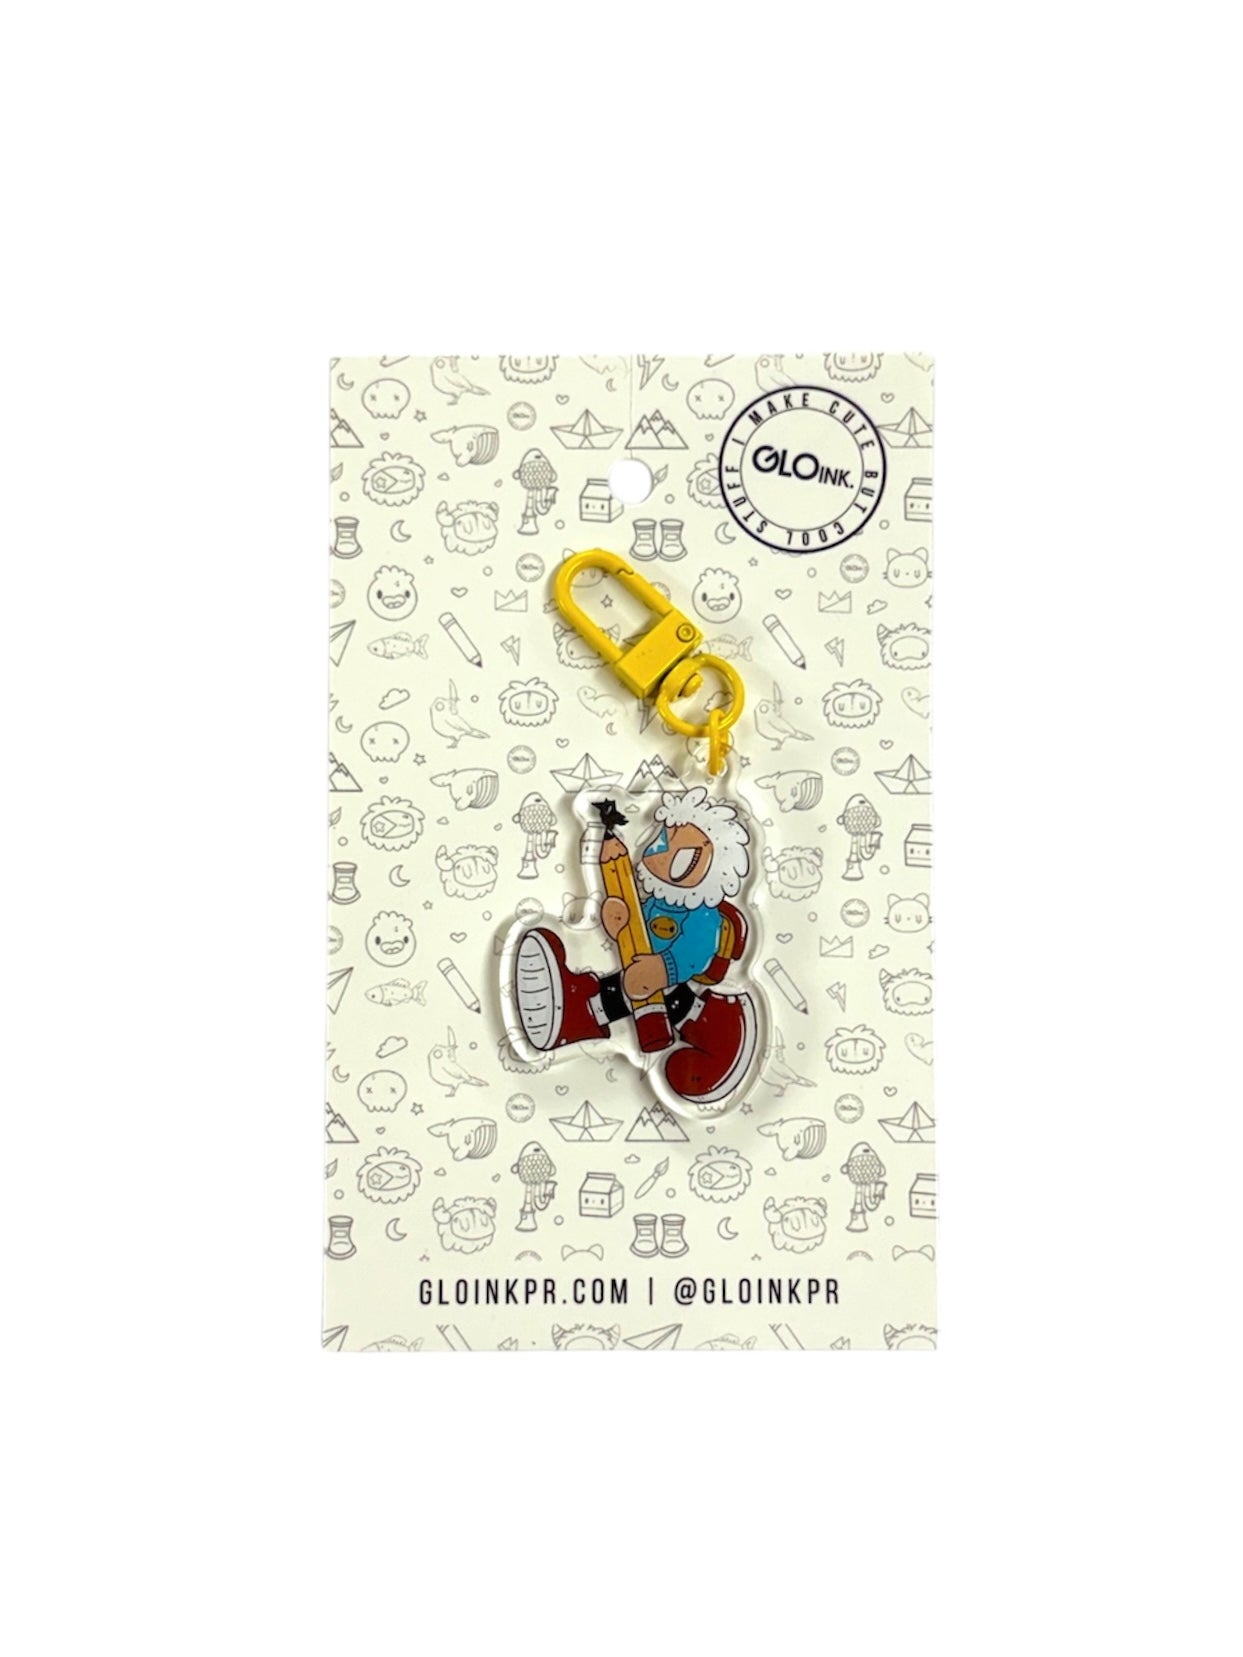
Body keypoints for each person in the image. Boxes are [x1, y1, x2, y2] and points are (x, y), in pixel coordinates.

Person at [512, 787, 758, 1108]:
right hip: (639, 972)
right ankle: (570, 1011)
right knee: (619, 990)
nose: (660, 856)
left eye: (684, 857)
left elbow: (695, 953)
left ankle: (721, 1037)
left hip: (673, 989)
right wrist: (618, 919)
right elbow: (636, 928)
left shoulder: (703, 916)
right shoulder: (657, 901)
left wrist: (664, 969)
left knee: (631, 995)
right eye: (660, 844)